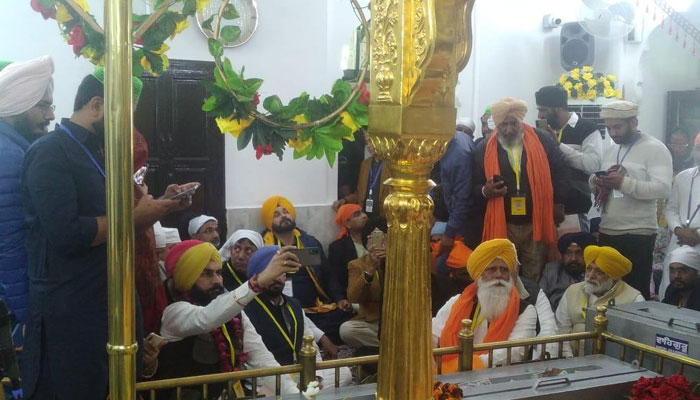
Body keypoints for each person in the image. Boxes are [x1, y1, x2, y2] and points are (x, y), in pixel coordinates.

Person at [21, 72, 188, 398]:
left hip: (108, 306)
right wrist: (130, 218)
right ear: (97, 105)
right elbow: (66, 233)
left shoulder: (100, 154)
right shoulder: (50, 153)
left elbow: (114, 231)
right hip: (71, 315)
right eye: (124, 116)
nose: (128, 128)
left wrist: (160, 207)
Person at [158, 240, 302, 397]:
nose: (217, 281)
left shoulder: (233, 312)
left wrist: (295, 395)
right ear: (186, 276)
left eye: (219, 273)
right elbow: (206, 318)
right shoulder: (173, 313)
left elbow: (263, 361)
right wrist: (258, 281)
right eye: (206, 274)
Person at [473, 97, 571, 280]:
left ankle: (532, 308)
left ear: (521, 121)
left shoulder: (542, 139)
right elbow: (473, 186)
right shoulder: (484, 148)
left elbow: (561, 170)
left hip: (536, 222)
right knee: (503, 272)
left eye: (513, 123)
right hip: (503, 223)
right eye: (503, 125)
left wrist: (558, 202)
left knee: (534, 274)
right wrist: (486, 191)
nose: (508, 130)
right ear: (497, 125)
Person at [591, 101, 673, 299]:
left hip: (638, 233)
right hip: (608, 229)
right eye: (608, 128)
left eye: (617, 127)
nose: (612, 133)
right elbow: (600, 184)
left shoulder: (655, 148)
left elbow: (663, 188)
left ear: (634, 122)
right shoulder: (611, 149)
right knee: (605, 290)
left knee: (634, 291)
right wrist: (596, 181)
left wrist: (623, 184)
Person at [244, 247, 351, 391]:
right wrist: (289, 384)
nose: (277, 278)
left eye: (281, 272)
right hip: (267, 379)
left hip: (297, 374)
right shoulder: (247, 309)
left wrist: (314, 376)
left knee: (344, 373)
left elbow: (309, 343)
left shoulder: (294, 304)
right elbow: (254, 361)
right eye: (271, 272)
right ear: (257, 276)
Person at [0, 56, 54, 340]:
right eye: (42, 106)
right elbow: (9, 249)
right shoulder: (8, 157)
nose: (50, 116)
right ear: (17, 105)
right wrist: (21, 322)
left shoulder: (17, 149)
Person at [433, 239, 537, 372]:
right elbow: (434, 333)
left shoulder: (525, 310)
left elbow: (516, 352)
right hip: (452, 376)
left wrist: (465, 364)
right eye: (492, 269)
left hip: (501, 378)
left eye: (504, 270)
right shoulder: (457, 301)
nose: (499, 275)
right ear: (479, 275)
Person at [260, 196, 352, 343]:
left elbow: (327, 274)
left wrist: (339, 298)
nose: (283, 216)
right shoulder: (264, 247)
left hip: (315, 308)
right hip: (282, 307)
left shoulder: (308, 243)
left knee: (344, 318)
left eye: (286, 212)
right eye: (276, 215)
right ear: (268, 221)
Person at [536, 86, 602, 233]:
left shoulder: (587, 128)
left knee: (572, 255)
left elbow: (592, 165)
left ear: (558, 108)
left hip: (574, 211)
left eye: (543, 110)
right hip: (543, 211)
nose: (539, 115)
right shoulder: (541, 132)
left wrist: (558, 145)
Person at [555, 245, 643, 356]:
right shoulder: (572, 291)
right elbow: (562, 331)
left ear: (613, 277)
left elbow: (637, 341)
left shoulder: (634, 299)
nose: (591, 276)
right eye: (589, 269)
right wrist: (569, 360)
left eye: (599, 272)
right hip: (573, 360)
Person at [660, 132, 700, 297]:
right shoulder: (683, 177)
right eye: (698, 148)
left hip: (697, 240)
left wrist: (697, 234)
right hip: (679, 240)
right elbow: (670, 208)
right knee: (670, 291)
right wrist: (678, 229)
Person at [339, 227, 387, 349]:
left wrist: (391, 259)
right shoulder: (356, 264)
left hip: (398, 320)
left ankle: (389, 346)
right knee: (347, 330)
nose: (380, 242)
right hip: (373, 322)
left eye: (384, 237)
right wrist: (371, 267)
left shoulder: (399, 260)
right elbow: (353, 297)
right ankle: (392, 346)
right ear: (368, 240)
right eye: (376, 238)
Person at [439, 114, 479, 254]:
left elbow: (463, 195)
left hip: (465, 222)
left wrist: (449, 232)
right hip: (459, 219)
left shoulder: (459, 151)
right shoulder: (454, 144)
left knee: (448, 265)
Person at [332, 130, 390, 219]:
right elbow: (359, 193)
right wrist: (345, 200)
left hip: (384, 217)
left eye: (371, 141)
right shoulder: (365, 164)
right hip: (365, 217)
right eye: (367, 143)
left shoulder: (391, 164)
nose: (369, 146)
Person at [539, 232, 597, 310]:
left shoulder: (597, 274)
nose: (573, 258)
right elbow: (540, 300)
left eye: (579, 253)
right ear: (562, 256)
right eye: (568, 253)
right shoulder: (551, 270)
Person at [328, 204, 369, 297]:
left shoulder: (375, 239)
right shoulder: (338, 248)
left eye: (363, 212)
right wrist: (341, 299)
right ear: (348, 224)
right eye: (357, 214)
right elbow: (335, 278)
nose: (364, 216)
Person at [662, 246, 700, 311]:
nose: (676, 276)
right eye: (672, 271)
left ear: (697, 274)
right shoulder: (671, 290)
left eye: (683, 271)